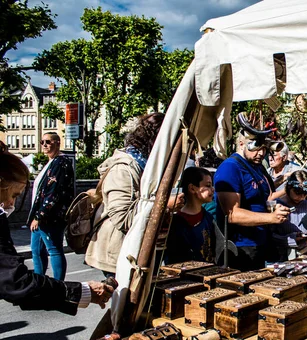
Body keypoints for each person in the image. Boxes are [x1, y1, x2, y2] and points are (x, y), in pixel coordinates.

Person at [0, 141, 114, 316]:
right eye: (14, 195)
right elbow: (16, 282)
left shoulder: (59, 164)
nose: (11, 203)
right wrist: (82, 291)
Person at [85, 113, 178, 277]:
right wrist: (164, 205)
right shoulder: (124, 168)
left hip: (140, 251)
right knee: (126, 302)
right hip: (120, 253)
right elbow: (123, 218)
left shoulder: (148, 166)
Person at [214, 113, 289, 269]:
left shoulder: (257, 166)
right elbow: (232, 214)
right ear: (242, 144)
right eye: (257, 148)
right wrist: (271, 218)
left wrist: (274, 208)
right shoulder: (230, 167)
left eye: (264, 149)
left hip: (260, 243)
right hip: (240, 249)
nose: (261, 153)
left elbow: (263, 198)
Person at [28, 133, 74, 281]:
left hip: (50, 217)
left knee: (54, 250)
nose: (44, 145)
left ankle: (58, 285)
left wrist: (40, 216)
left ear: (57, 143)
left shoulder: (61, 163)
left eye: (48, 142)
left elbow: (54, 192)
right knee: (36, 250)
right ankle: (39, 284)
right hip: (40, 216)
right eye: (42, 142)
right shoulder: (51, 162)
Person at [165, 167, 215, 264]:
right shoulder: (176, 222)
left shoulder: (208, 217)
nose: (212, 189)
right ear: (192, 188)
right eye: (208, 185)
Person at [272, 170, 307, 260]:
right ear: (288, 188)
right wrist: (292, 239)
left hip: (306, 255)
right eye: (297, 192)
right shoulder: (277, 206)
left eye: (305, 193)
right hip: (282, 257)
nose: (301, 197)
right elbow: (271, 236)